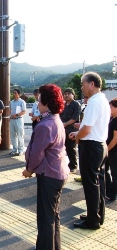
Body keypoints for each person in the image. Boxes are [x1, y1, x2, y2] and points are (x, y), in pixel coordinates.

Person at [22, 84, 69, 250]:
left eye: (39, 99)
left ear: (47, 102)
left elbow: (36, 153)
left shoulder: (45, 125)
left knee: (45, 218)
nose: (37, 102)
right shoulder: (56, 120)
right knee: (53, 215)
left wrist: (28, 169)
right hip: (58, 173)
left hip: (49, 175)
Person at [69, 72, 110, 230]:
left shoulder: (93, 102)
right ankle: (97, 215)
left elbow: (86, 129)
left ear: (92, 84)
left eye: (83, 84)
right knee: (98, 182)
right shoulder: (102, 100)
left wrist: (77, 136)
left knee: (90, 185)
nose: (82, 87)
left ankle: (92, 220)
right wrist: (79, 133)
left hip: (91, 146)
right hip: (100, 145)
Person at [60, 88, 81, 173]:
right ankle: (68, 164)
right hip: (63, 129)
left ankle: (74, 165)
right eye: (65, 94)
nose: (67, 95)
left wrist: (65, 124)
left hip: (72, 129)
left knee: (71, 148)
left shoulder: (76, 104)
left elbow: (75, 118)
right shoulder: (63, 104)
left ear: (73, 95)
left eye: (69, 93)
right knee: (64, 148)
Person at [74, 96, 88, 182]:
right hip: (81, 134)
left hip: (87, 137)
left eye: (86, 98)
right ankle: (82, 175)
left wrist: (78, 136)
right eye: (84, 98)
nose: (85, 99)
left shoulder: (92, 107)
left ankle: (85, 177)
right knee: (82, 160)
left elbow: (88, 126)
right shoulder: (84, 108)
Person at [105, 98, 117, 201]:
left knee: (115, 173)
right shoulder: (112, 118)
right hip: (110, 150)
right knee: (105, 170)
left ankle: (112, 194)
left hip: (114, 151)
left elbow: (115, 139)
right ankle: (108, 189)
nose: (109, 109)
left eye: (111, 107)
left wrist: (107, 149)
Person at [9, 88, 26, 156]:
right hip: (12, 120)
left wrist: (16, 115)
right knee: (13, 135)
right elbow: (10, 111)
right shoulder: (11, 102)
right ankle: (14, 149)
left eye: (15, 93)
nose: (14, 94)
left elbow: (24, 111)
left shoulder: (22, 102)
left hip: (19, 119)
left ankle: (21, 150)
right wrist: (10, 117)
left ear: (19, 94)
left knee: (20, 135)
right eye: (13, 93)